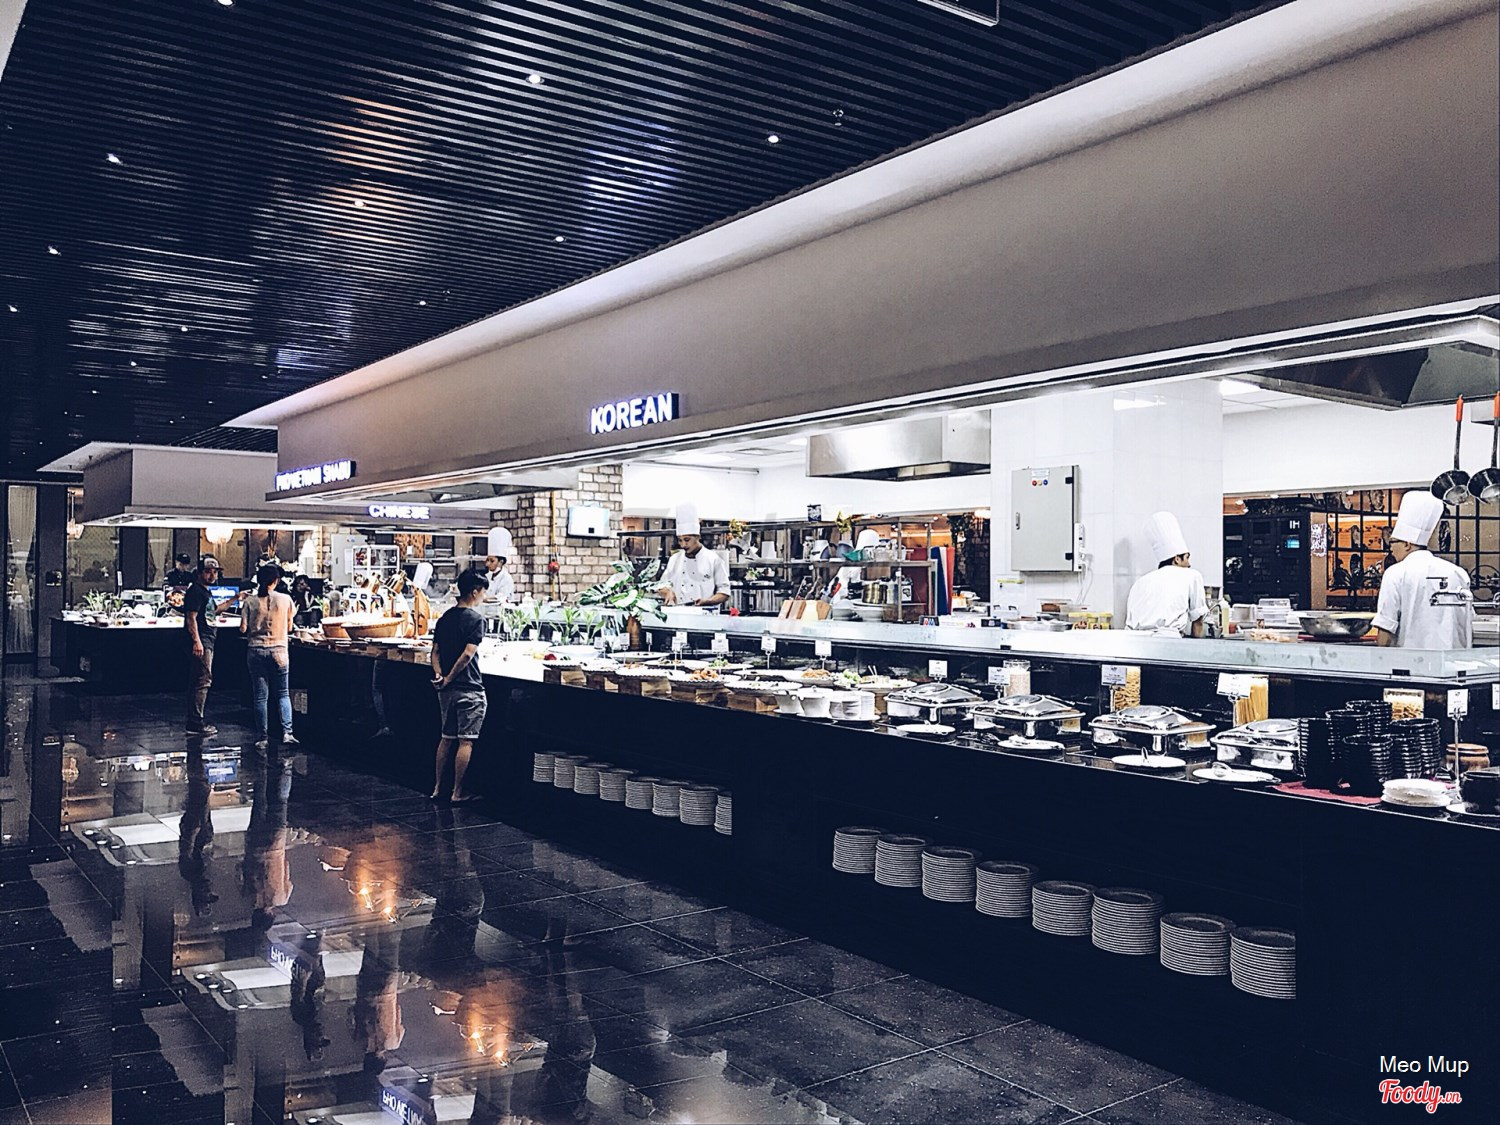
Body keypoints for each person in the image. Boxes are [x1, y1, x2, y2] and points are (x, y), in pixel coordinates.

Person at [1373, 492, 1473, 649]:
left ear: (1407, 544)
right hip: (1455, 660)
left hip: (1411, 661)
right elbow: (1467, 621)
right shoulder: (1457, 573)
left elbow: (1385, 634)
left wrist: (1377, 658)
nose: (1390, 548)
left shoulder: (1395, 574)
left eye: (1392, 542)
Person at [430, 569, 488, 802]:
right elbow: (467, 655)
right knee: (466, 741)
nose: (484, 596)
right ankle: (457, 792)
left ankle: (437, 788)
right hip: (469, 688)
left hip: (446, 690)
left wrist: (439, 676)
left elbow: (435, 651)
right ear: (474, 592)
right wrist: (450, 677)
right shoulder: (476, 620)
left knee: (446, 737)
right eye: (483, 592)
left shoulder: (445, 618)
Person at [241, 562, 298, 748]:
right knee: (283, 693)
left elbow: (243, 629)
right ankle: (287, 733)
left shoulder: (250, 601)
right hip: (279, 650)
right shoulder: (286, 599)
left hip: (256, 650)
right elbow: (289, 626)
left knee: (260, 696)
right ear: (276, 581)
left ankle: (262, 737)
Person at [1125, 512, 1208, 636]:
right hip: (1168, 642)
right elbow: (1198, 621)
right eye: (1187, 557)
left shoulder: (1140, 582)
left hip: (1134, 642)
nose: (1189, 564)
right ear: (1177, 559)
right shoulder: (1191, 575)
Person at [182, 556, 237, 735]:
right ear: (199, 573)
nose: (212, 575)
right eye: (208, 572)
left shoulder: (204, 592)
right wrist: (197, 641)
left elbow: (213, 611)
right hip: (203, 641)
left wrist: (235, 598)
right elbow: (191, 618)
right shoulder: (196, 592)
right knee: (203, 680)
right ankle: (196, 722)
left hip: (207, 640)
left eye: (215, 572)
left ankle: (194, 719)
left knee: (198, 679)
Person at [655, 503, 730, 608]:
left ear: (697, 537)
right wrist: (668, 592)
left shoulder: (713, 559)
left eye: (687, 540)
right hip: (678, 613)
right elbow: (660, 586)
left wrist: (708, 601)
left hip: (704, 613)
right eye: (680, 540)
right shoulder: (674, 559)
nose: (683, 545)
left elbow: (724, 592)